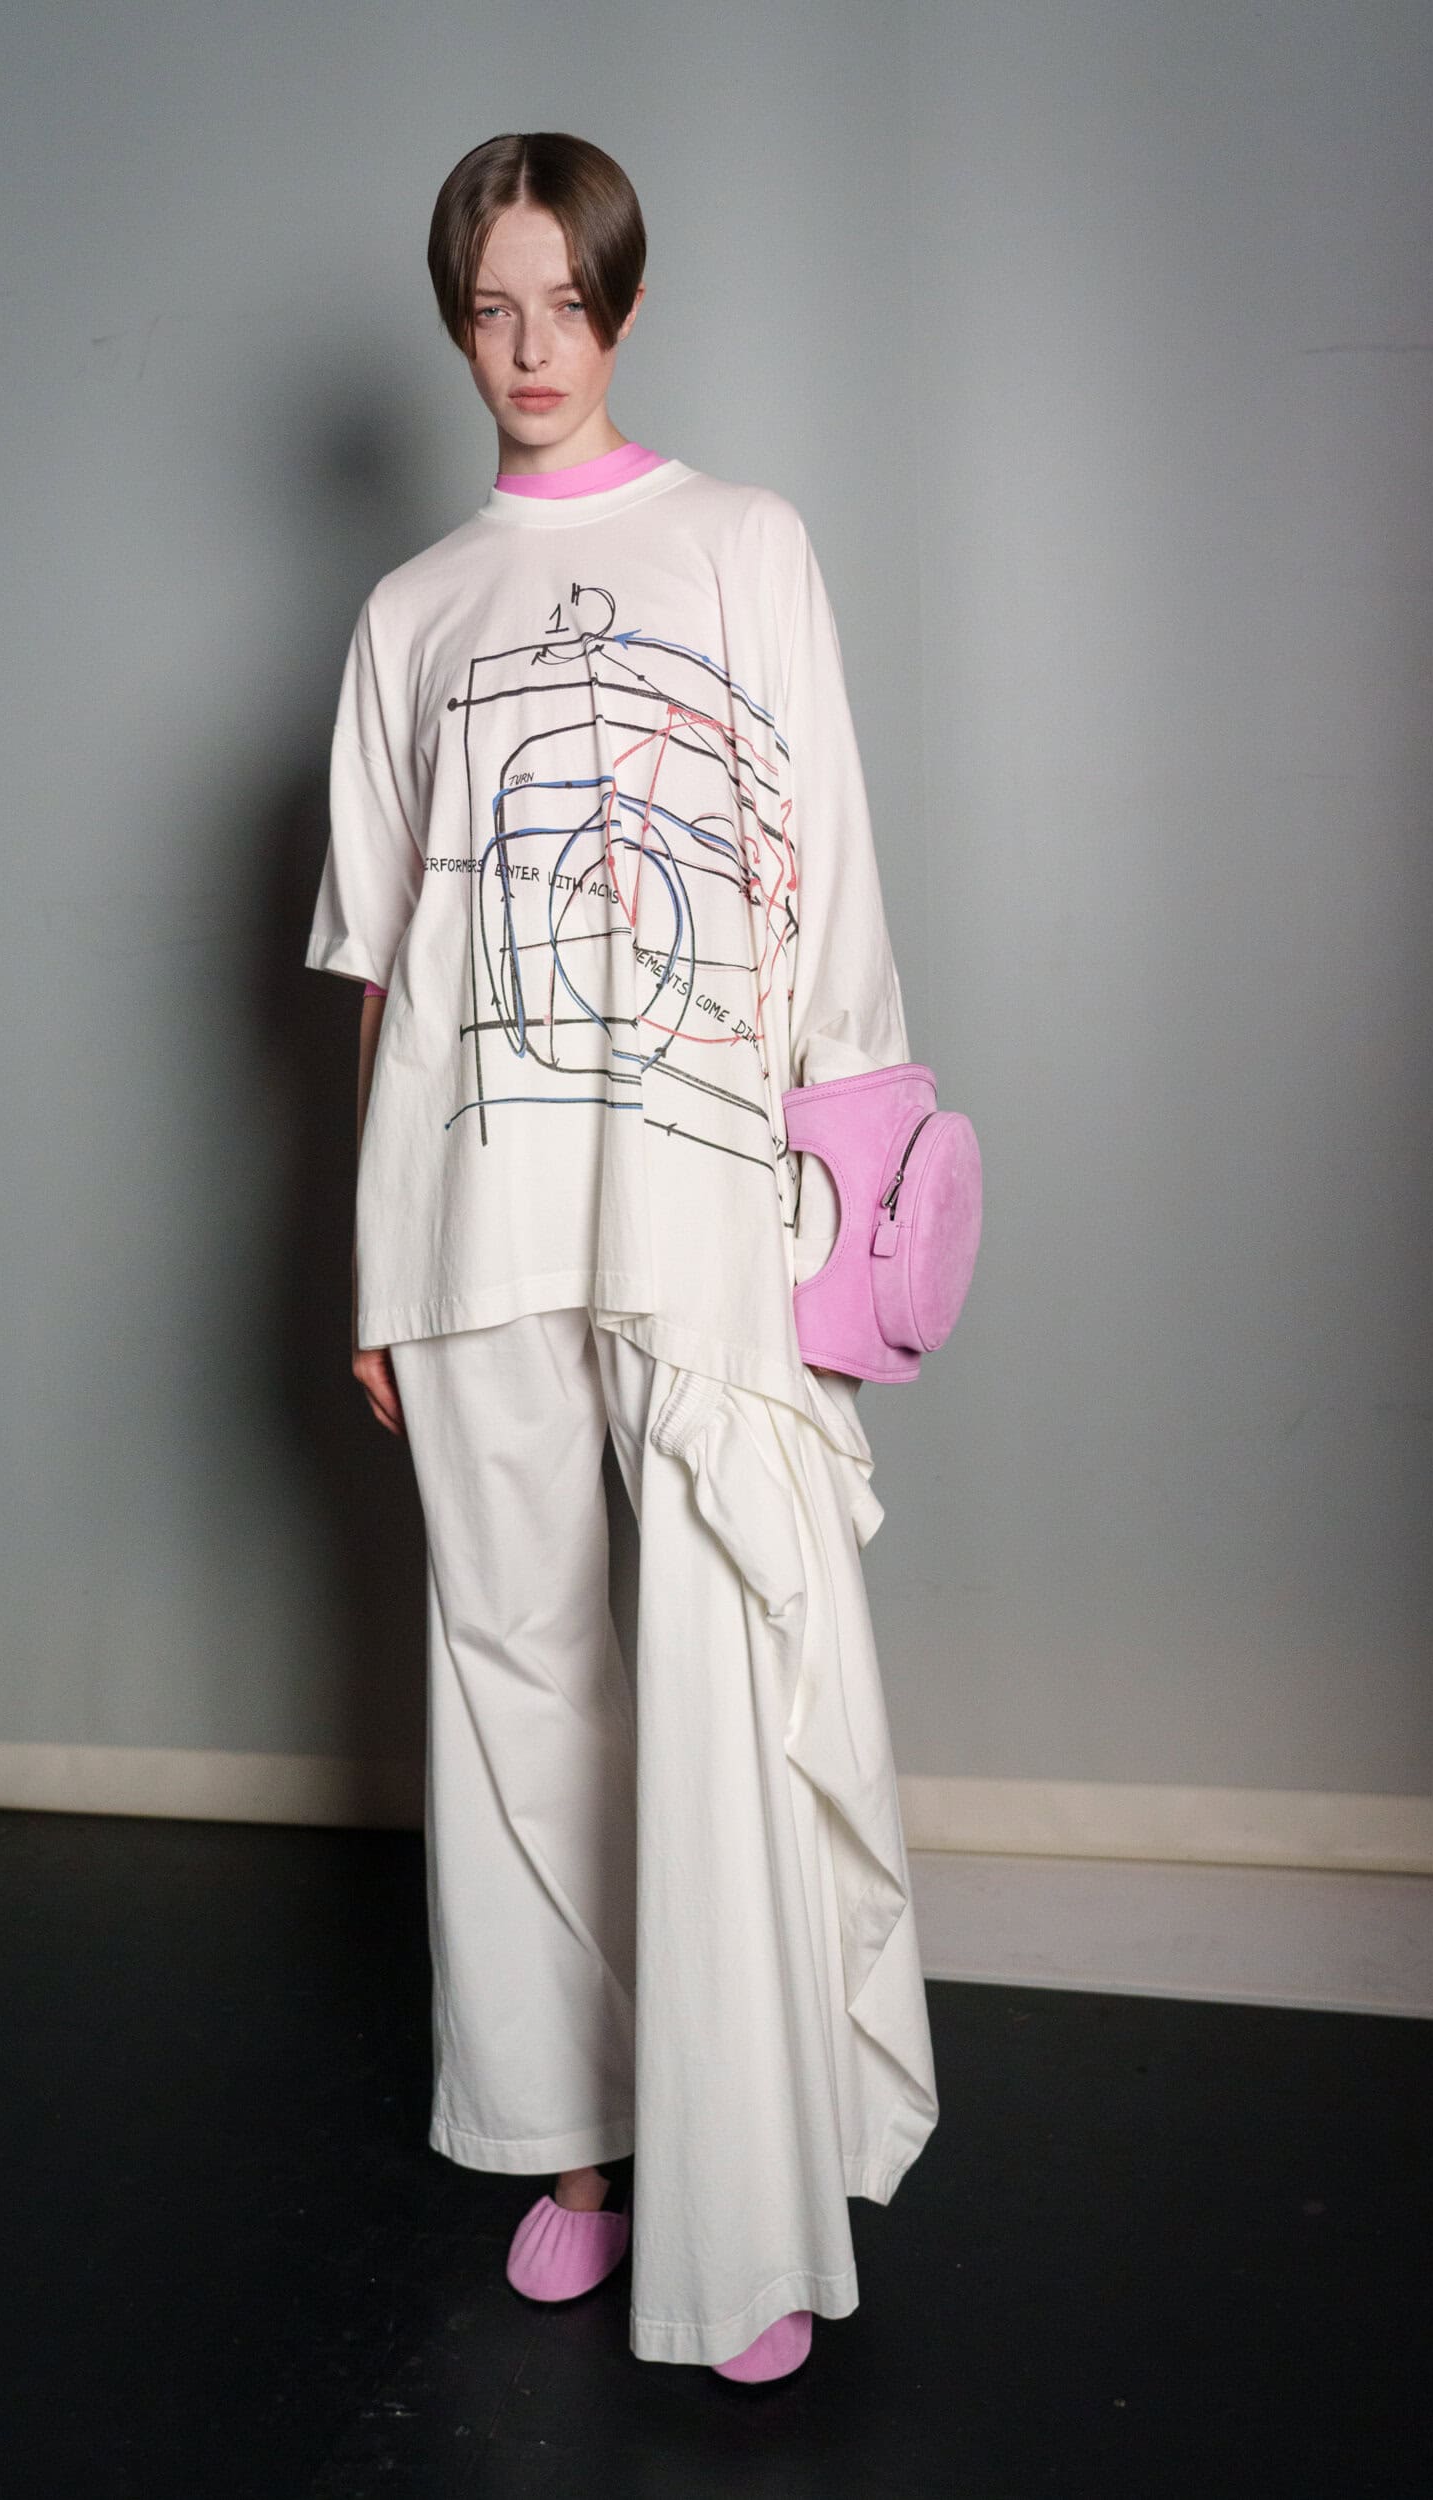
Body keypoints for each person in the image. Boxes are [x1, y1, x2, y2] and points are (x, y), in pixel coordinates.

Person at [305, 131, 938, 2383]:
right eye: (493, 309)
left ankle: (744, 2199)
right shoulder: (409, 614)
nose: (532, 347)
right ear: (454, 323)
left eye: (566, 303)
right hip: (469, 1222)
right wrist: (373, 1269)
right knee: (517, 1686)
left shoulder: (749, 543)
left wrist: (839, 1200)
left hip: (696, 1210)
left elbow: (829, 883)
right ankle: (576, 2156)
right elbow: (384, 966)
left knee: (721, 1675)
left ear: (625, 309)